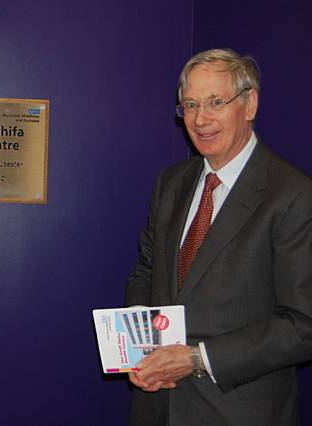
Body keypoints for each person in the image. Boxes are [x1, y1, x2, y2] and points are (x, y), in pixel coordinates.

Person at [125, 48, 312, 425]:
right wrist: (139, 347)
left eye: (215, 102)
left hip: (239, 412)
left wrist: (197, 358)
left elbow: (303, 325)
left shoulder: (293, 195)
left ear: (250, 103)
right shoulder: (171, 183)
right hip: (159, 407)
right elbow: (146, 271)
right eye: (190, 105)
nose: (200, 119)